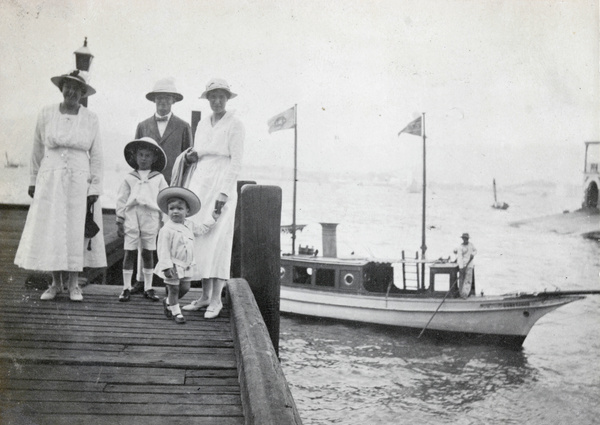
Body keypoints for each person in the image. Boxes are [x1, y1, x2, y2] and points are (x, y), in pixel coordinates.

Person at [14, 69, 106, 301]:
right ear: (61, 88)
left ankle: (74, 284)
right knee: (53, 228)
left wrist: (94, 187)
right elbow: (36, 149)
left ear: (82, 92)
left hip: (79, 179)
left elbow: (96, 155)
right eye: (68, 86)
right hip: (51, 178)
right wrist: (34, 180)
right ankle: (55, 283)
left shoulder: (91, 118)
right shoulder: (46, 113)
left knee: (76, 229)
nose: (71, 91)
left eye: (77, 88)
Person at [175, 78, 244, 319]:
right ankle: (204, 296)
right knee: (199, 239)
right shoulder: (203, 123)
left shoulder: (235, 124)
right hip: (201, 182)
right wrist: (191, 157)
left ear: (227, 98)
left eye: (221, 96)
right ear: (208, 99)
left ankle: (217, 299)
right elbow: (199, 153)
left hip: (220, 183)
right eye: (212, 96)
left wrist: (224, 193)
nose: (216, 101)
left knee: (218, 241)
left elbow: (236, 162)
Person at [131, 77, 193, 295]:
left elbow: (189, 159)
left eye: (167, 99)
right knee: (144, 232)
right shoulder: (143, 125)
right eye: (159, 99)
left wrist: (183, 187)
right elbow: (134, 158)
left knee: (171, 234)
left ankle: (171, 283)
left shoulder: (184, 127)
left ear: (173, 101)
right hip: (147, 186)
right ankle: (141, 279)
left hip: (171, 188)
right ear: (154, 100)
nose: (163, 103)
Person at [154, 187, 219, 323]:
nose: (175, 211)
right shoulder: (166, 229)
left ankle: (168, 302)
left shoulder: (189, 224)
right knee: (173, 289)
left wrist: (213, 219)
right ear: (167, 211)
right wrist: (166, 266)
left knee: (185, 287)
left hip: (187, 265)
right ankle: (177, 312)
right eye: (172, 209)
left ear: (187, 211)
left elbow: (201, 230)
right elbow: (163, 249)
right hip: (173, 265)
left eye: (180, 208)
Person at [116, 137, 168, 302]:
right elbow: (121, 199)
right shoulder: (129, 177)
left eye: (147, 155)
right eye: (140, 155)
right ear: (135, 157)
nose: (144, 158)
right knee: (129, 251)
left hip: (150, 216)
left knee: (148, 251)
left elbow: (164, 198)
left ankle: (148, 287)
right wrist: (120, 219)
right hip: (132, 215)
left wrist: (164, 219)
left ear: (154, 158)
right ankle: (125, 288)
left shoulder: (158, 178)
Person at [454, 233, 477, 298]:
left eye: (466, 238)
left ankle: (465, 294)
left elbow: (475, 250)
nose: (465, 240)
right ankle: (461, 293)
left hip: (469, 265)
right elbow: (460, 257)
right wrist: (462, 267)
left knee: (468, 280)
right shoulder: (460, 247)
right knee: (461, 280)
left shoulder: (471, 245)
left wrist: (473, 254)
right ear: (462, 239)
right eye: (464, 238)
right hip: (462, 265)